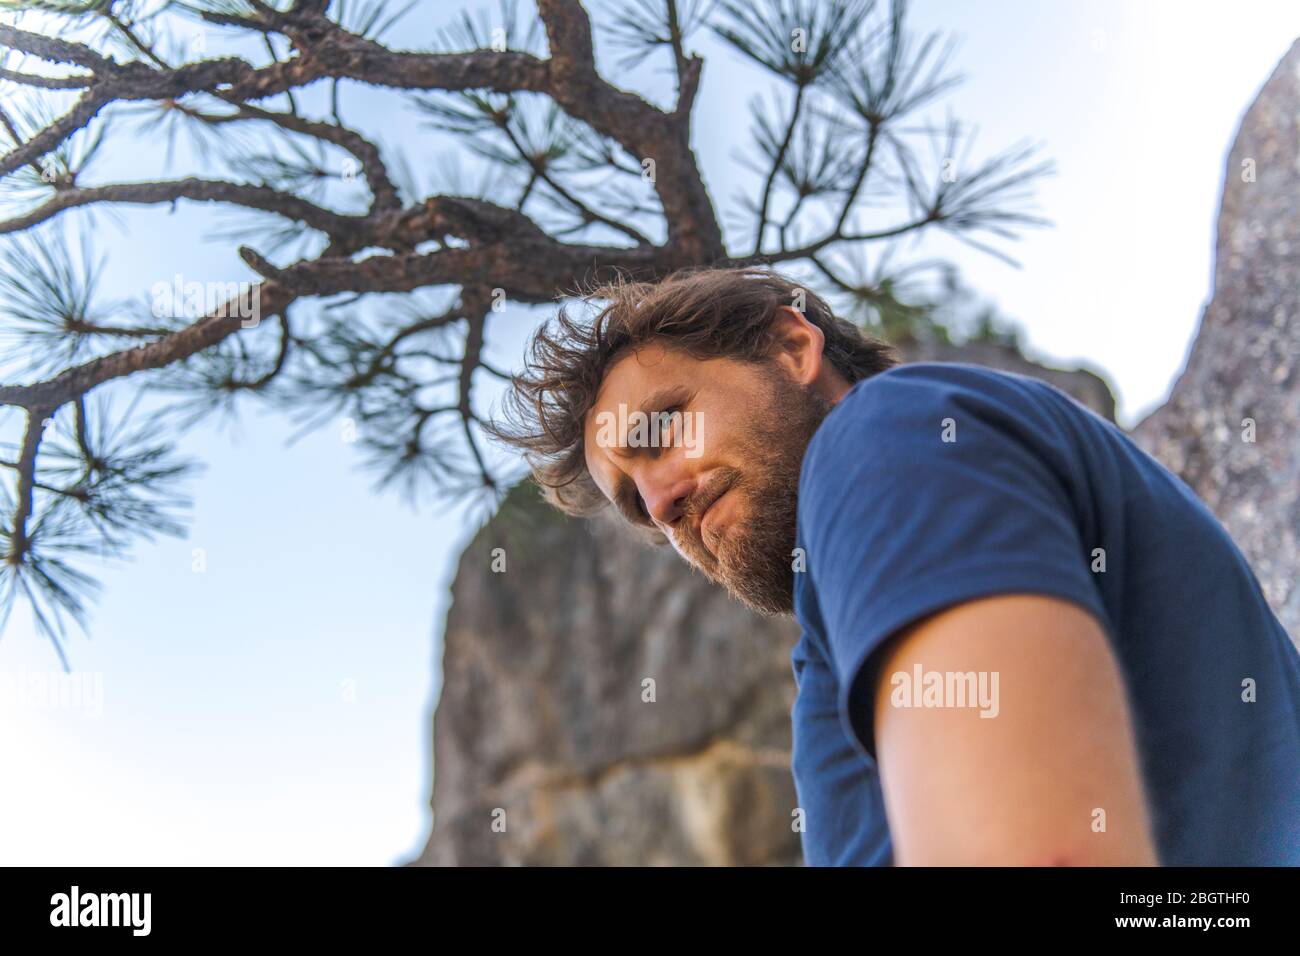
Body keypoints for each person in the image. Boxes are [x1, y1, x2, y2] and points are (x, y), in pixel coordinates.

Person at [490, 265, 1300, 866]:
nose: (660, 502)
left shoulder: (883, 434)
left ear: (791, 346)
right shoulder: (837, 626)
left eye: (663, 429)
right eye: (634, 504)